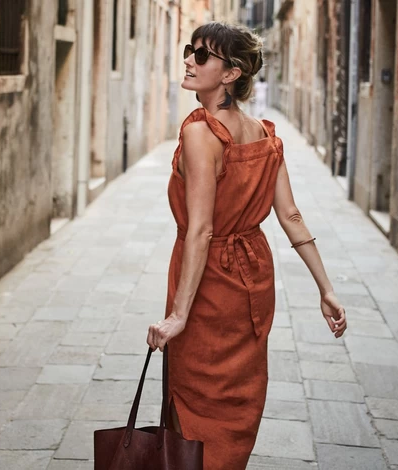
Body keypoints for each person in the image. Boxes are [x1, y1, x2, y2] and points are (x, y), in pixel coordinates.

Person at [146, 22, 348, 470]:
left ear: (231, 73)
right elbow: (291, 216)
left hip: (208, 284)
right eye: (190, 50)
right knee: (237, 401)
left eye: (202, 55)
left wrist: (179, 314)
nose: (189, 60)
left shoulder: (201, 133)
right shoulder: (264, 135)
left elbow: (201, 230)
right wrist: (326, 289)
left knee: (195, 401)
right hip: (252, 280)